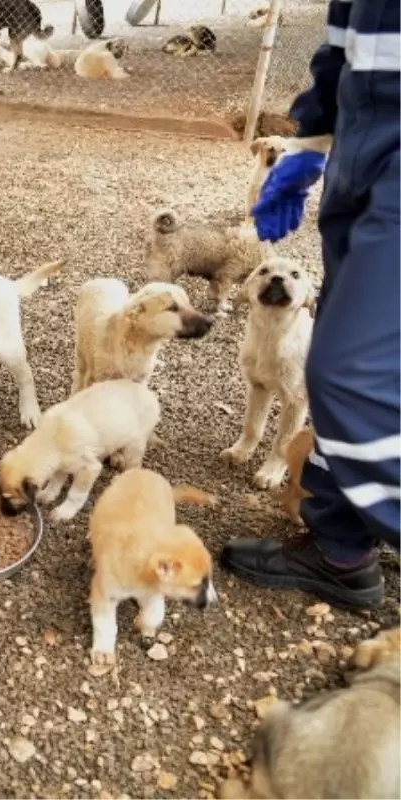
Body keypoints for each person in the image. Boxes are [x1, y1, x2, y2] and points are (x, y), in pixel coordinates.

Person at [224, 0, 400, 610]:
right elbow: (344, 48)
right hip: (359, 164)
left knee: (350, 377)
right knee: (346, 382)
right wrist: (308, 142)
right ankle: (341, 547)